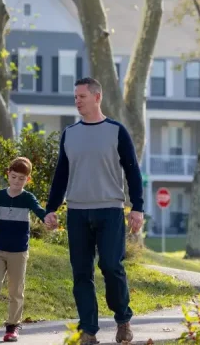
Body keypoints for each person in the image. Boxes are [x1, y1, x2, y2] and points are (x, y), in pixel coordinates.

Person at [44, 77, 145, 345]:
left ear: (97, 97)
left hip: (110, 210)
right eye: (75, 97)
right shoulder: (70, 134)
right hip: (77, 212)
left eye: (82, 96)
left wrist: (138, 207)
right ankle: (88, 330)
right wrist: (50, 208)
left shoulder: (116, 131)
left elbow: (133, 171)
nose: (77, 101)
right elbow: (61, 175)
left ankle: (123, 318)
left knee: (111, 266)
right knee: (81, 272)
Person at [0, 156, 47, 342]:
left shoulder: (28, 198)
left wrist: (49, 218)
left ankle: (12, 326)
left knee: (16, 289)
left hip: (19, 252)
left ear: (27, 179)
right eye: (14, 177)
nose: (16, 182)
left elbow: (39, 210)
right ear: (8, 175)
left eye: (21, 179)